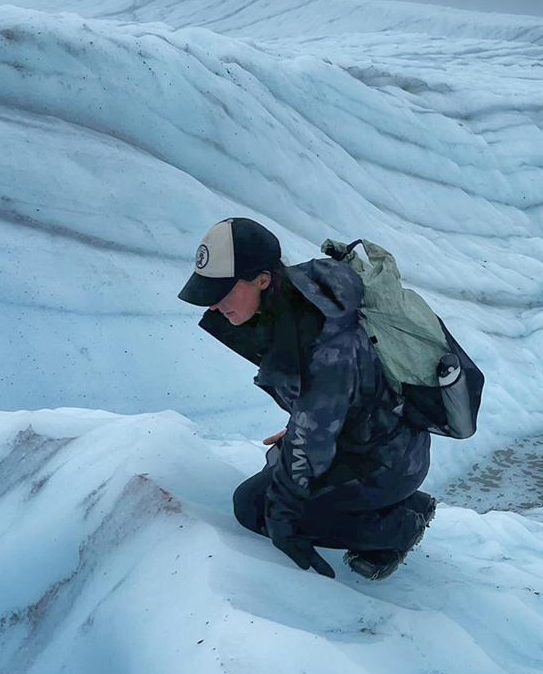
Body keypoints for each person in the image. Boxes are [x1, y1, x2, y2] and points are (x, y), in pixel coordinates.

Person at [178, 217, 435, 579]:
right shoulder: (290, 299)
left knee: (256, 509)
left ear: (262, 279)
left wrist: (284, 525)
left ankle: (398, 529)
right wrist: (307, 423)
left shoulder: (323, 335)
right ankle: (408, 504)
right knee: (273, 480)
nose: (214, 305)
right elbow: (332, 401)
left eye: (222, 291)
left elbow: (316, 424)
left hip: (388, 460)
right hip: (369, 441)